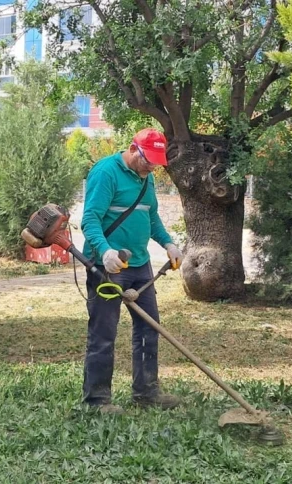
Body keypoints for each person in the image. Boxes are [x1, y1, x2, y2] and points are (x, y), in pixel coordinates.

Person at [80, 127, 184, 415]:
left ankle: (146, 391)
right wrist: (105, 252)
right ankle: (96, 401)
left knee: (149, 328)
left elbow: (151, 216)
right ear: (132, 148)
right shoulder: (106, 172)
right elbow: (89, 220)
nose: (151, 166)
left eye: (155, 161)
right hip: (108, 266)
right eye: (147, 158)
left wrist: (169, 243)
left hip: (140, 265)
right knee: (104, 333)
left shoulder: (147, 179)